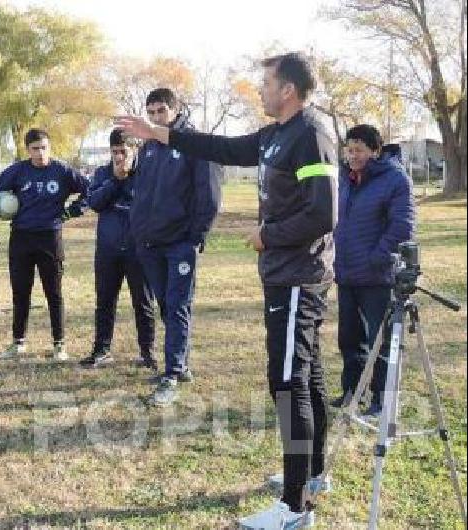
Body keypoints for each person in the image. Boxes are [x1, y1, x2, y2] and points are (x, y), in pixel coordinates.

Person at [116, 51, 336, 528]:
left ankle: (295, 508)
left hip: (298, 275)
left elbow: (323, 213)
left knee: (289, 383)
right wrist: (159, 133)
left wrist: (267, 236)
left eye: (267, 82)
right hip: (283, 274)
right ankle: (314, 475)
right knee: (308, 375)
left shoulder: (311, 135)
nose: (260, 89)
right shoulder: (275, 136)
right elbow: (221, 147)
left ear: (289, 90)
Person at [128, 88, 221, 407]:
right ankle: (179, 364)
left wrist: (195, 236)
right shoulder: (149, 146)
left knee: (178, 304)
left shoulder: (195, 144)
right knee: (166, 306)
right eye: (151, 112)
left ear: (175, 110)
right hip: (149, 243)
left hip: (180, 243)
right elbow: (140, 192)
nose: (155, 118)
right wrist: (138, 231)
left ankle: (172, 373)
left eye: (161, 112)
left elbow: (208, 194)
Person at [0, 128, 89, 360]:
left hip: (50, 238)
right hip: (21, 239)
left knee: (53, 293)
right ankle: (18, 343)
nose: (40, 153)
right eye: (35, 149)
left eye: (44, 147)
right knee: (20, 292)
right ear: (28, 150)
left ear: (50, 147)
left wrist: (73, 211)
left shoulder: (63, 171)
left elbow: (92, 190)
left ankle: (59, 345)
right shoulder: (17, 171)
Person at [332, 124, 416, 417]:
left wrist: (377, 258)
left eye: (359, 150)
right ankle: (352, 392)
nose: (352, 156)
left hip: (377, 275)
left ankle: (383, 400)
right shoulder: (344, 177)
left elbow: (402, 227)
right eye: (349, 149)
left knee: (380, 340)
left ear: (375, 151)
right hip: (346, 273)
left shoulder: (395, 179)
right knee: (349, 339)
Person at [78, 129, 156, 369]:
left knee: (143, 302)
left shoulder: (146, 173)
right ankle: (101, 349)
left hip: (138, 249)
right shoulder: (103, 172)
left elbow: (153, 206)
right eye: (114, 152)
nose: (119, 157)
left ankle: (147, 352)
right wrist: (115, 180)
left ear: (135, 150)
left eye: (123, 152)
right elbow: (95, 203)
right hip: (108, 249)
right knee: (104, 301)